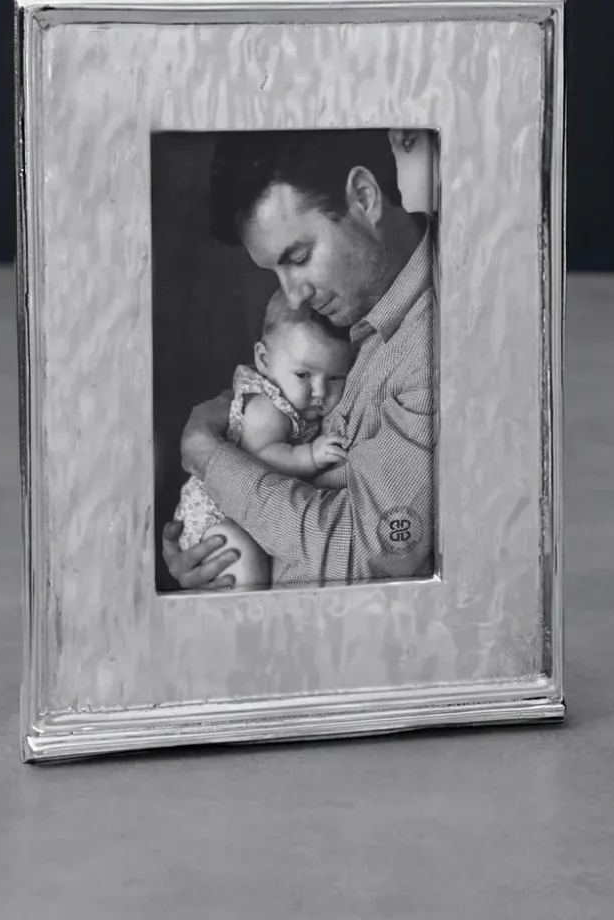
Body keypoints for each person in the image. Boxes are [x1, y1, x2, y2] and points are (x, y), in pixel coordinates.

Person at [161, 129, 436, 589]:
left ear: (364, 197)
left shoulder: (436, 342)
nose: (293, 296)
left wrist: (211, 459)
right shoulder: (346, 306)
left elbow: (371, 550)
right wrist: (213, 546)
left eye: (300, 256)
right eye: (276, 271)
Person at [173, 290, 353, 589]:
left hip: (249, 514)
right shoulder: (267, 407)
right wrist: (311, 455)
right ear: (264, 360)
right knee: (244, 566)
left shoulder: (297, 402)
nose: (319, 392)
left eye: (335, 378)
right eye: (303, 375)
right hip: (217, 515)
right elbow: (262, 456)